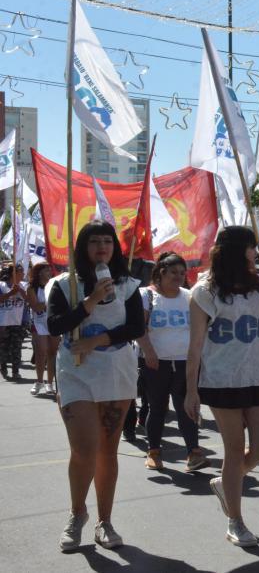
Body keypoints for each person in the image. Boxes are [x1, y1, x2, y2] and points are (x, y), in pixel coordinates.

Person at [47, 220, 145, 552]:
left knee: (107, 450)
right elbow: (55, 325)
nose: (102, 247)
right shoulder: (63, 285)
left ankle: (105, 521)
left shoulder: (128, 285)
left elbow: (135, 327)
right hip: (75, 374)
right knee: (84, 449)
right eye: (94, 241)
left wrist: (98, 340)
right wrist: (90, 301)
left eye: (107, 241)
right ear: (82, 247)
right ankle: (77, 514)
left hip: (117, 373)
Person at [184, 226, 259, 548]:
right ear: (237, 250)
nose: (256, 253)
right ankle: (235, 520)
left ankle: (228, 481)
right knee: (234, 447)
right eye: (252, 247)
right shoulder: (204, 291)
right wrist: (191, 391)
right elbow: (195, 346)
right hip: (223, 379)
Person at [136, 252, 207, 473]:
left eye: (182, 273)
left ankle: (194, 453)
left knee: (187, 407)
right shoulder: (146, 295)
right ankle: (154, 452)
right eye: (173, 272)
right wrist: (149, 352)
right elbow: (139, 328)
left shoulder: (189, 296)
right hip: (155, 363)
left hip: (186, 362)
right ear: (161, 273)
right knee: (157, 408)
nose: (179, 277)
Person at [26, 262, 56, 395]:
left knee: (52, 353)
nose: (49, 272)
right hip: (39, 323)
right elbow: (36, 307)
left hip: (53, 322)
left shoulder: (54, 285)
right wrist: (51, 301)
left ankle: (50, 383)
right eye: (46, 270)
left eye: (50, 270)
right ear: (39, 273)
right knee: (41, 352)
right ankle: (39, 381)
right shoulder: (31, 288)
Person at [0, 262, 28, 380]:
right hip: (3, 322)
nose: (23, 274)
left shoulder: (24, 285)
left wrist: (20, 291)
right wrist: (11, 293)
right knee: (3, 347)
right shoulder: (1, 285)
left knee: (16, 347)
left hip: (18, 321)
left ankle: (15, 371)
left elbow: (29, 299)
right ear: (13, 273)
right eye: (20, 271)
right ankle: (3, 367)